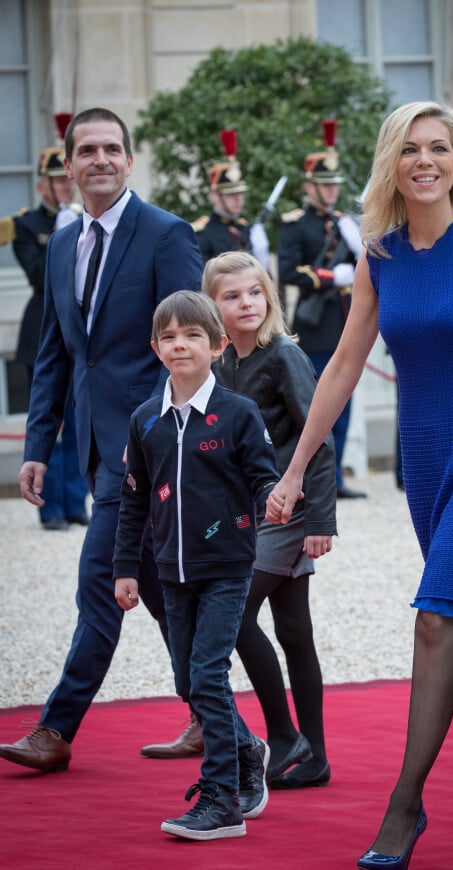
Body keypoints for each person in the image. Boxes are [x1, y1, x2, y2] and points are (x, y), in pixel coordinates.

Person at [266, 101, 453, 868]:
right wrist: (296, 467)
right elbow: (340, 366)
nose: (425, 161)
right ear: (393, 163)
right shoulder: (381, 254)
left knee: (435, 615)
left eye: (439, 148)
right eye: (411, 150)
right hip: (426, 460)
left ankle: (403, 810)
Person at [0, 107, 204, 774]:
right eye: (86, 149)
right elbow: (57, 355)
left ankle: (56, 730)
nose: (101, 159)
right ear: (68, 163)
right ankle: (215, 716)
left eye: (112, 147)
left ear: (129, 158)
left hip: (148, 450)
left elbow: (189, 351)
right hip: (92, 446)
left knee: (98, 579)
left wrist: (153, 434)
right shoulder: (62, 243)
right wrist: (37, 444)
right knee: (150, 584)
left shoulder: (165, 234)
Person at [114, 290, 278, 840]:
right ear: (155, 347)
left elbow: (261, 477)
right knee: (189, 680)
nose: (179, 344)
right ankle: (247, 746)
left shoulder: (238, 413)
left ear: (218, 346)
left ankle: (221, 800)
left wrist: (276, 495)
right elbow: (133, 499)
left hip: (228, 565)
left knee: (209, 673)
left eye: (192, 335)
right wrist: (124, 569)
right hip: (169, 571)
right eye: (169, 336)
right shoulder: (145, 420)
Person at [203, 250, 336, 788]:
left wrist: (321, 521)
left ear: (269, 296)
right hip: (245, 515)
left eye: (254, 292)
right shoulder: (218, 362)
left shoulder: (284, 355)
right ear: (213, 306)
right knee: (293, 631)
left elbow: (318, 440)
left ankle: (284, 737)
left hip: (287, 512)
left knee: (233, 616)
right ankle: (317, 759)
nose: (246, 303)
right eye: (232, 296)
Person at [277, 119, 367, 499]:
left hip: (344, 322)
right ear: (309, 187)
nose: (330, 191)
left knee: (343, 407)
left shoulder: (346, 223)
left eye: (334, 185)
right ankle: (309, 479)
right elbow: (289, 272)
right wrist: (333, 276)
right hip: (313, 325)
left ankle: (335, 480)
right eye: (324, 185)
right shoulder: (296, 225)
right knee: (312, 406)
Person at [6, 146, 88, 530]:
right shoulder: (27, 225)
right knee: (49, 427)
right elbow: (39, 277)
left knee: (78, 423)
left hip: (79, 334)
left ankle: (74, 503)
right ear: (42, 184)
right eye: (55, 181)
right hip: (41, 331)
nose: (62, 188)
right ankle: (49, 506)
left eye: (65, 180)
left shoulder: (88, 219)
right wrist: (61, 233)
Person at [193, 129, 270, 270]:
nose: (238, 199)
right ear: (214, 196)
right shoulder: (202, 234)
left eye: (240, 194)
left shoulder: (245, 228)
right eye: (230, 194)